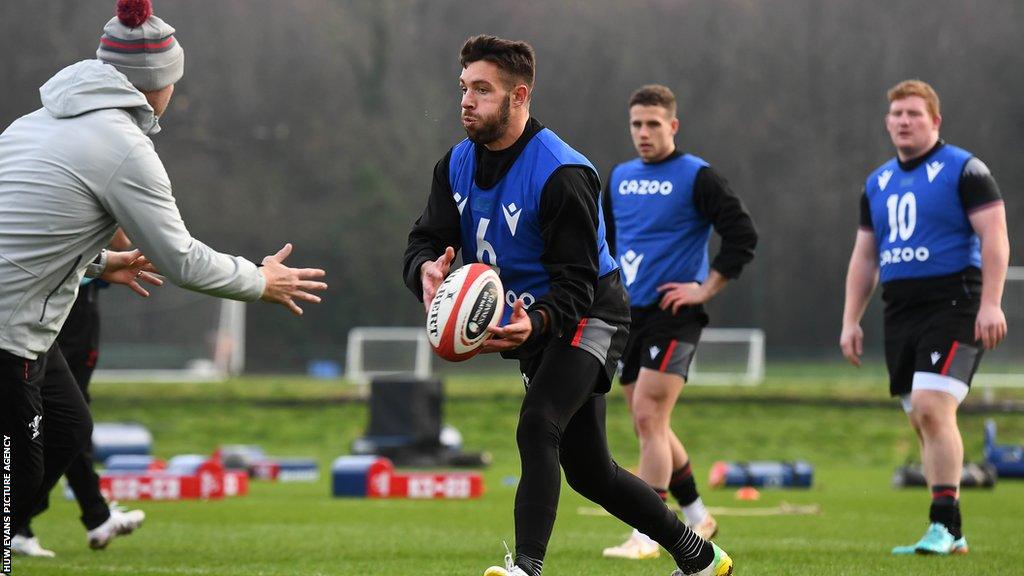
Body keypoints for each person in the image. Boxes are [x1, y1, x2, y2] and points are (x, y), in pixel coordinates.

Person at [0, 0, 327, 551]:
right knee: (16, 481)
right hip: (10, 336)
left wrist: (102, 262)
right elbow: (182, 260)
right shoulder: (124, 147)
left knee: (67, 427)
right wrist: (259, 281)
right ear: (157, 83)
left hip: (22, 324)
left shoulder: (33, 123)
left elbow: (26, 235)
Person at [404, 35, 732, 576]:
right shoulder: (454, 166)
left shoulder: (562, 172)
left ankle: (526, 568)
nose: (466, 101)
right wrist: (426, 271)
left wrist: (534, 322)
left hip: (589, 315)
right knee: (591, 472)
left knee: (537, 425)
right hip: (534, 324)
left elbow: (577, 281)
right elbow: (423, 239)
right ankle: (701, 557)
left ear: (519, 96)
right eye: (463, 88)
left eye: (482, 90)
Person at [840, 79, 1008, 555]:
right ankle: (951, 532)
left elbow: (995, 236)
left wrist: (992, 303)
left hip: (954, 303)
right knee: (922, 419)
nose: (904, 122)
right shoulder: (877, 182)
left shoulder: (965, 169)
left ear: (935, 121)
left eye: (914, 114)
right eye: (896, 114)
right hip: (901, 311)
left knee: (934, 409)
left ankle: (943, 525)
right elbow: (864, 257)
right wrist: (851, 319)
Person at [600, 85, 757, 560]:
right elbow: (603, 242)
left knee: (649, 415)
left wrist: (704, 287)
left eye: (653, 124)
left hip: (677, 315)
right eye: (636, 124)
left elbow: (741, 235)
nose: (643, 133)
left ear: (673, 125)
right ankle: (697, 516)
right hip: (629, 315)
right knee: (649, 423)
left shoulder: (697, 176)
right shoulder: (620, 178)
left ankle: (647, 534)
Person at [12, 231, 146, 557]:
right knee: (38, 435)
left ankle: (88, 514)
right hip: (41, 313)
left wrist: (102, 262)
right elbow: (119, 241)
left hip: (53, 303)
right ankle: (87, 515)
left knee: (70, 422)